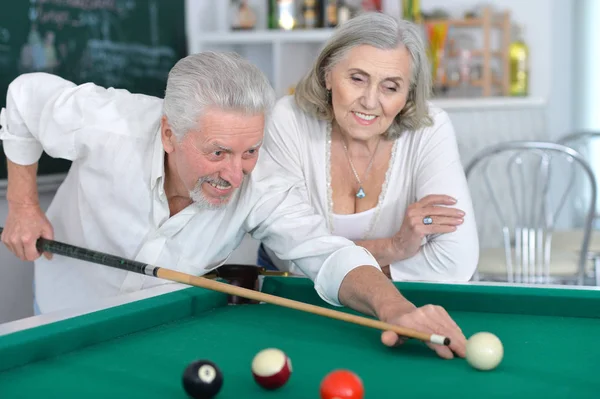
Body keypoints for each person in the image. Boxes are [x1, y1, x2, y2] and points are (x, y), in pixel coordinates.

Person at [1, 51, 466, 360]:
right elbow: (24, 96)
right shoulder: (107, 125)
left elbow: (327, 251)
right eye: (218, 152)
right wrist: (22, 203)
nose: (235, 174)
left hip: (158, 330)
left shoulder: (262, 185)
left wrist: (394, 308)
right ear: (169, 133)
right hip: (64, 307)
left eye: (250, 151)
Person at [257, 12, 479, 282]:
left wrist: (328, 267)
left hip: (384, 296)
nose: (371, 102)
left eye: (390, 87)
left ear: (408, 93)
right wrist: (394, 248)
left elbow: (456, 262)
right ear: (328, 75)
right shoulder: (289, 118)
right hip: (289, 293)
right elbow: (291, 257)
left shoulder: (429, 128)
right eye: (357, 79)